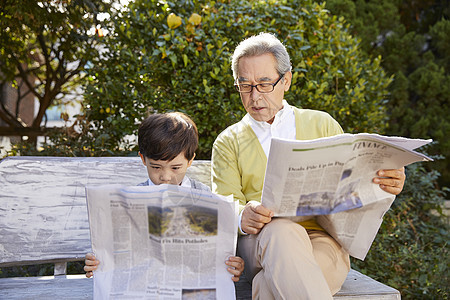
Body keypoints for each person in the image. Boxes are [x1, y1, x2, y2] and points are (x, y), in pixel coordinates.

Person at [211, 32, 406, 299]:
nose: (254, 96)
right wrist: (242, 215)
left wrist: (385, 181)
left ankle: (263, 288)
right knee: (282, 231)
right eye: (245, 85)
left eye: (265, 84)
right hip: (261, 241)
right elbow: (223, 205)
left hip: (322, 239)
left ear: (286, 80)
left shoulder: (322, 124)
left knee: (268, 287)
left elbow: (351, 181)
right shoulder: (228, 141)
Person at [84, 112, 244, 283]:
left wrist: (233, 264)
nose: (166, 177)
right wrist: (97, 262)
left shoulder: (205, 197)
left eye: (175, 168)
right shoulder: (131, 201)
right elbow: (114, 249)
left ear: (190, 161)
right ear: (143, 159)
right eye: (156, 167)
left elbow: (218, 251)